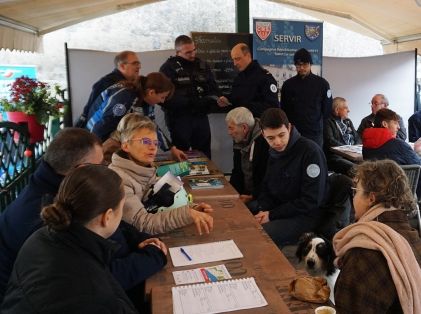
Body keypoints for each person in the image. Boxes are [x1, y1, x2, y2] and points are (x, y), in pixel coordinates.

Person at [0, 128, 167, 306]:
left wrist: (140, 238)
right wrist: (153, 256)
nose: (105, 169)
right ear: (82, 170)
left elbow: (113, 223)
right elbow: (97, 279)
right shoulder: (44, 217)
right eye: (101, 165)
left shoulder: (58, 186)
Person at [333, 160, 421, 314]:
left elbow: (347, 307)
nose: (353, 198)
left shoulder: (363, 251)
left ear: (371, 199)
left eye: (356, 191)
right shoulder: (413, 237)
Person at [109, 114, 214, 235]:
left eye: (155, 143)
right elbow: (143, 224)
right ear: (126, 145)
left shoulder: (147, 168)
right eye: (145, 141)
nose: (153, 148)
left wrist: (191, 208)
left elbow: (159, 203)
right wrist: (187, 214)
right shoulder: (118, 180)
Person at [247, 108, 328, 246]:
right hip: (279, 208)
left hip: (305, 215)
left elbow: (311, 200)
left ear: (289, 128)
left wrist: (271, 215)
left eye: (281, 135)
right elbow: (267, 187)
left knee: (259, 234)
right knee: (242, 215)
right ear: (263, 134)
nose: (277, 142)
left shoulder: (310, 152)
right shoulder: (273, 151)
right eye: (270, 138)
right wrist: (263, 209)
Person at [88, 72, 186, 163]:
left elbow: (152, 127)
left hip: (113, 132)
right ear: (151, 92)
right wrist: (94, 148)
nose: (163, 101)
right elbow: (104, 123)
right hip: (96, 133)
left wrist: (172, 149)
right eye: (162, 97)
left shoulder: (147, 102)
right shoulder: (124, 97)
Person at [160, 35, 219, 158]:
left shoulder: (202, 65)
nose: (192, 54)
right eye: (188, 52)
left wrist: (213, 99)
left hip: (200, 116)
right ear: (177, 52)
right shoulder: (168, 68)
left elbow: (213, 88)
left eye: (194, 50)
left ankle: (206, 177)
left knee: (204, 154)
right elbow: (162, 98)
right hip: (179, 119)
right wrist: (189, 102)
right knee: (182, 154)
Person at [280, 48, 333, 147]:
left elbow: (327, 110)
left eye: (305, 64)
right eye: (298, 65)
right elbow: (284, 109)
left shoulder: (322, 84)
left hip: (314, 133)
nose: (302, 68)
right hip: (294, 133)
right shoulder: (288, 85)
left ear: (310, 64)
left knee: (314, 160)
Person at [362, 108, 421, 195]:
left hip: (377, 192)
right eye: (395, 123)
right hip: (402, 191)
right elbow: (418, 165)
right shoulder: (398, 145)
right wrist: (417, 151)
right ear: (385, 124)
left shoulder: (366, 145)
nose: (399, 127)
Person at [76, 50, 141, 127]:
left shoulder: (128, 83)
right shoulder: (107, 83)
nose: (139, 67)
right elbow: (91, 107)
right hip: (97, 130)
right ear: (122, 66)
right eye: (135, 63)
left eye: (139, 63)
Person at [217, 43, 279, 117]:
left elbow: (272, 107)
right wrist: (228, 99)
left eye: (237, 59)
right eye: (233, 59)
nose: (235, 63)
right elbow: (238, 98)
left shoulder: (264, 77)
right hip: (239, 123)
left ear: (248, 56)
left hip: (258, 124)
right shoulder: (239, 78)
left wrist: (245, 107)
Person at [225, 107, 269, 203]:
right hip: (246, 194)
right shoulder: (239, 139)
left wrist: (253, 196)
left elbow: (267, 177)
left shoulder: (264, 141)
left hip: (260, 198)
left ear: (244, 127)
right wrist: (231, 193)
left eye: (231, 128)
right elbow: (237, 171)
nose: (229, 133)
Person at [324, 96, 361, 176]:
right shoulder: (328, 122)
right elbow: (330, 140)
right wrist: (347, 149)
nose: (349, 110)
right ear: (337, 110)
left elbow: (357, 137)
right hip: (337, 156)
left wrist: (355, 147)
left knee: (369, 165)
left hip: (353, 154)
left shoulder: (348, 121)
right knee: (356, 168)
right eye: (346, 108)